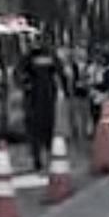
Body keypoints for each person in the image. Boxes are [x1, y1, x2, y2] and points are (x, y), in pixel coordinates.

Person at [17, 33, 68, 171]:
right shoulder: (30, 57)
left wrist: (65, 89)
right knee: (36, 129)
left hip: (45, 98)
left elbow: (61, 73)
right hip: (35, 99)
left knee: (46, 128)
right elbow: (19, 74)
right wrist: (25, 84)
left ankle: (47, 155)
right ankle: (38, 159)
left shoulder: (46, 56)